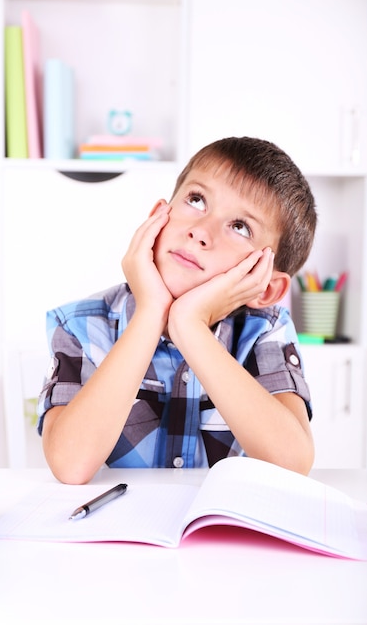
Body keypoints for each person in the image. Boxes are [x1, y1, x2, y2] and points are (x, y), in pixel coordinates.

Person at [37, 136, 317, 485]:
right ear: (157, 217)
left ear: (267, 287)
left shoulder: (265, 330)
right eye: (197, 200)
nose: (201, 232)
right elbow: (70, 465)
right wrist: (151, 312)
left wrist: (190, 325)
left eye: (240, 227)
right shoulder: (80, 324)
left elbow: (292, 463)